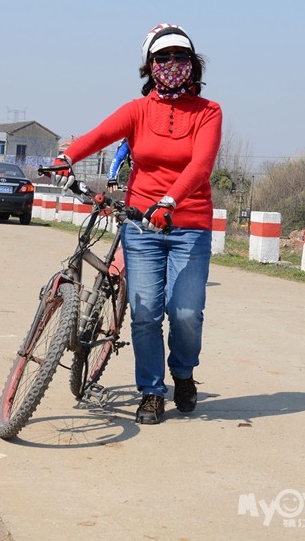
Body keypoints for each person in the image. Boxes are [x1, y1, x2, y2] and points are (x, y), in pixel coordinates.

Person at [54, 23, 222, 424]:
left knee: (185, 313)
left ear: (193, 65)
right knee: (145, 311)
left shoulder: (209, 112)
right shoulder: (137, 110)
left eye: (180, 57)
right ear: (150, 66)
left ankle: (183, 372)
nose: (172, 64)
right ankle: (151, 390)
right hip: (142, 225)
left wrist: (170, 201)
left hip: (189, 226)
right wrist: (68, 157)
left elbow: (201, 165)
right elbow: (99, 135)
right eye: (162, 58)